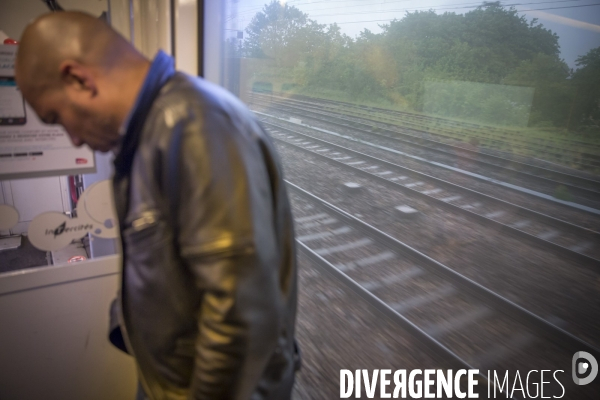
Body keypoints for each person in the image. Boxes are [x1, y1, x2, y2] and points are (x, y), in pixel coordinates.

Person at [16, 11, 299, 400]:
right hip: (170, 382)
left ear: (78, 79)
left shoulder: (194, 126)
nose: (74, 139)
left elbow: (240, 313)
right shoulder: (147, 134)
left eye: (58, 118)